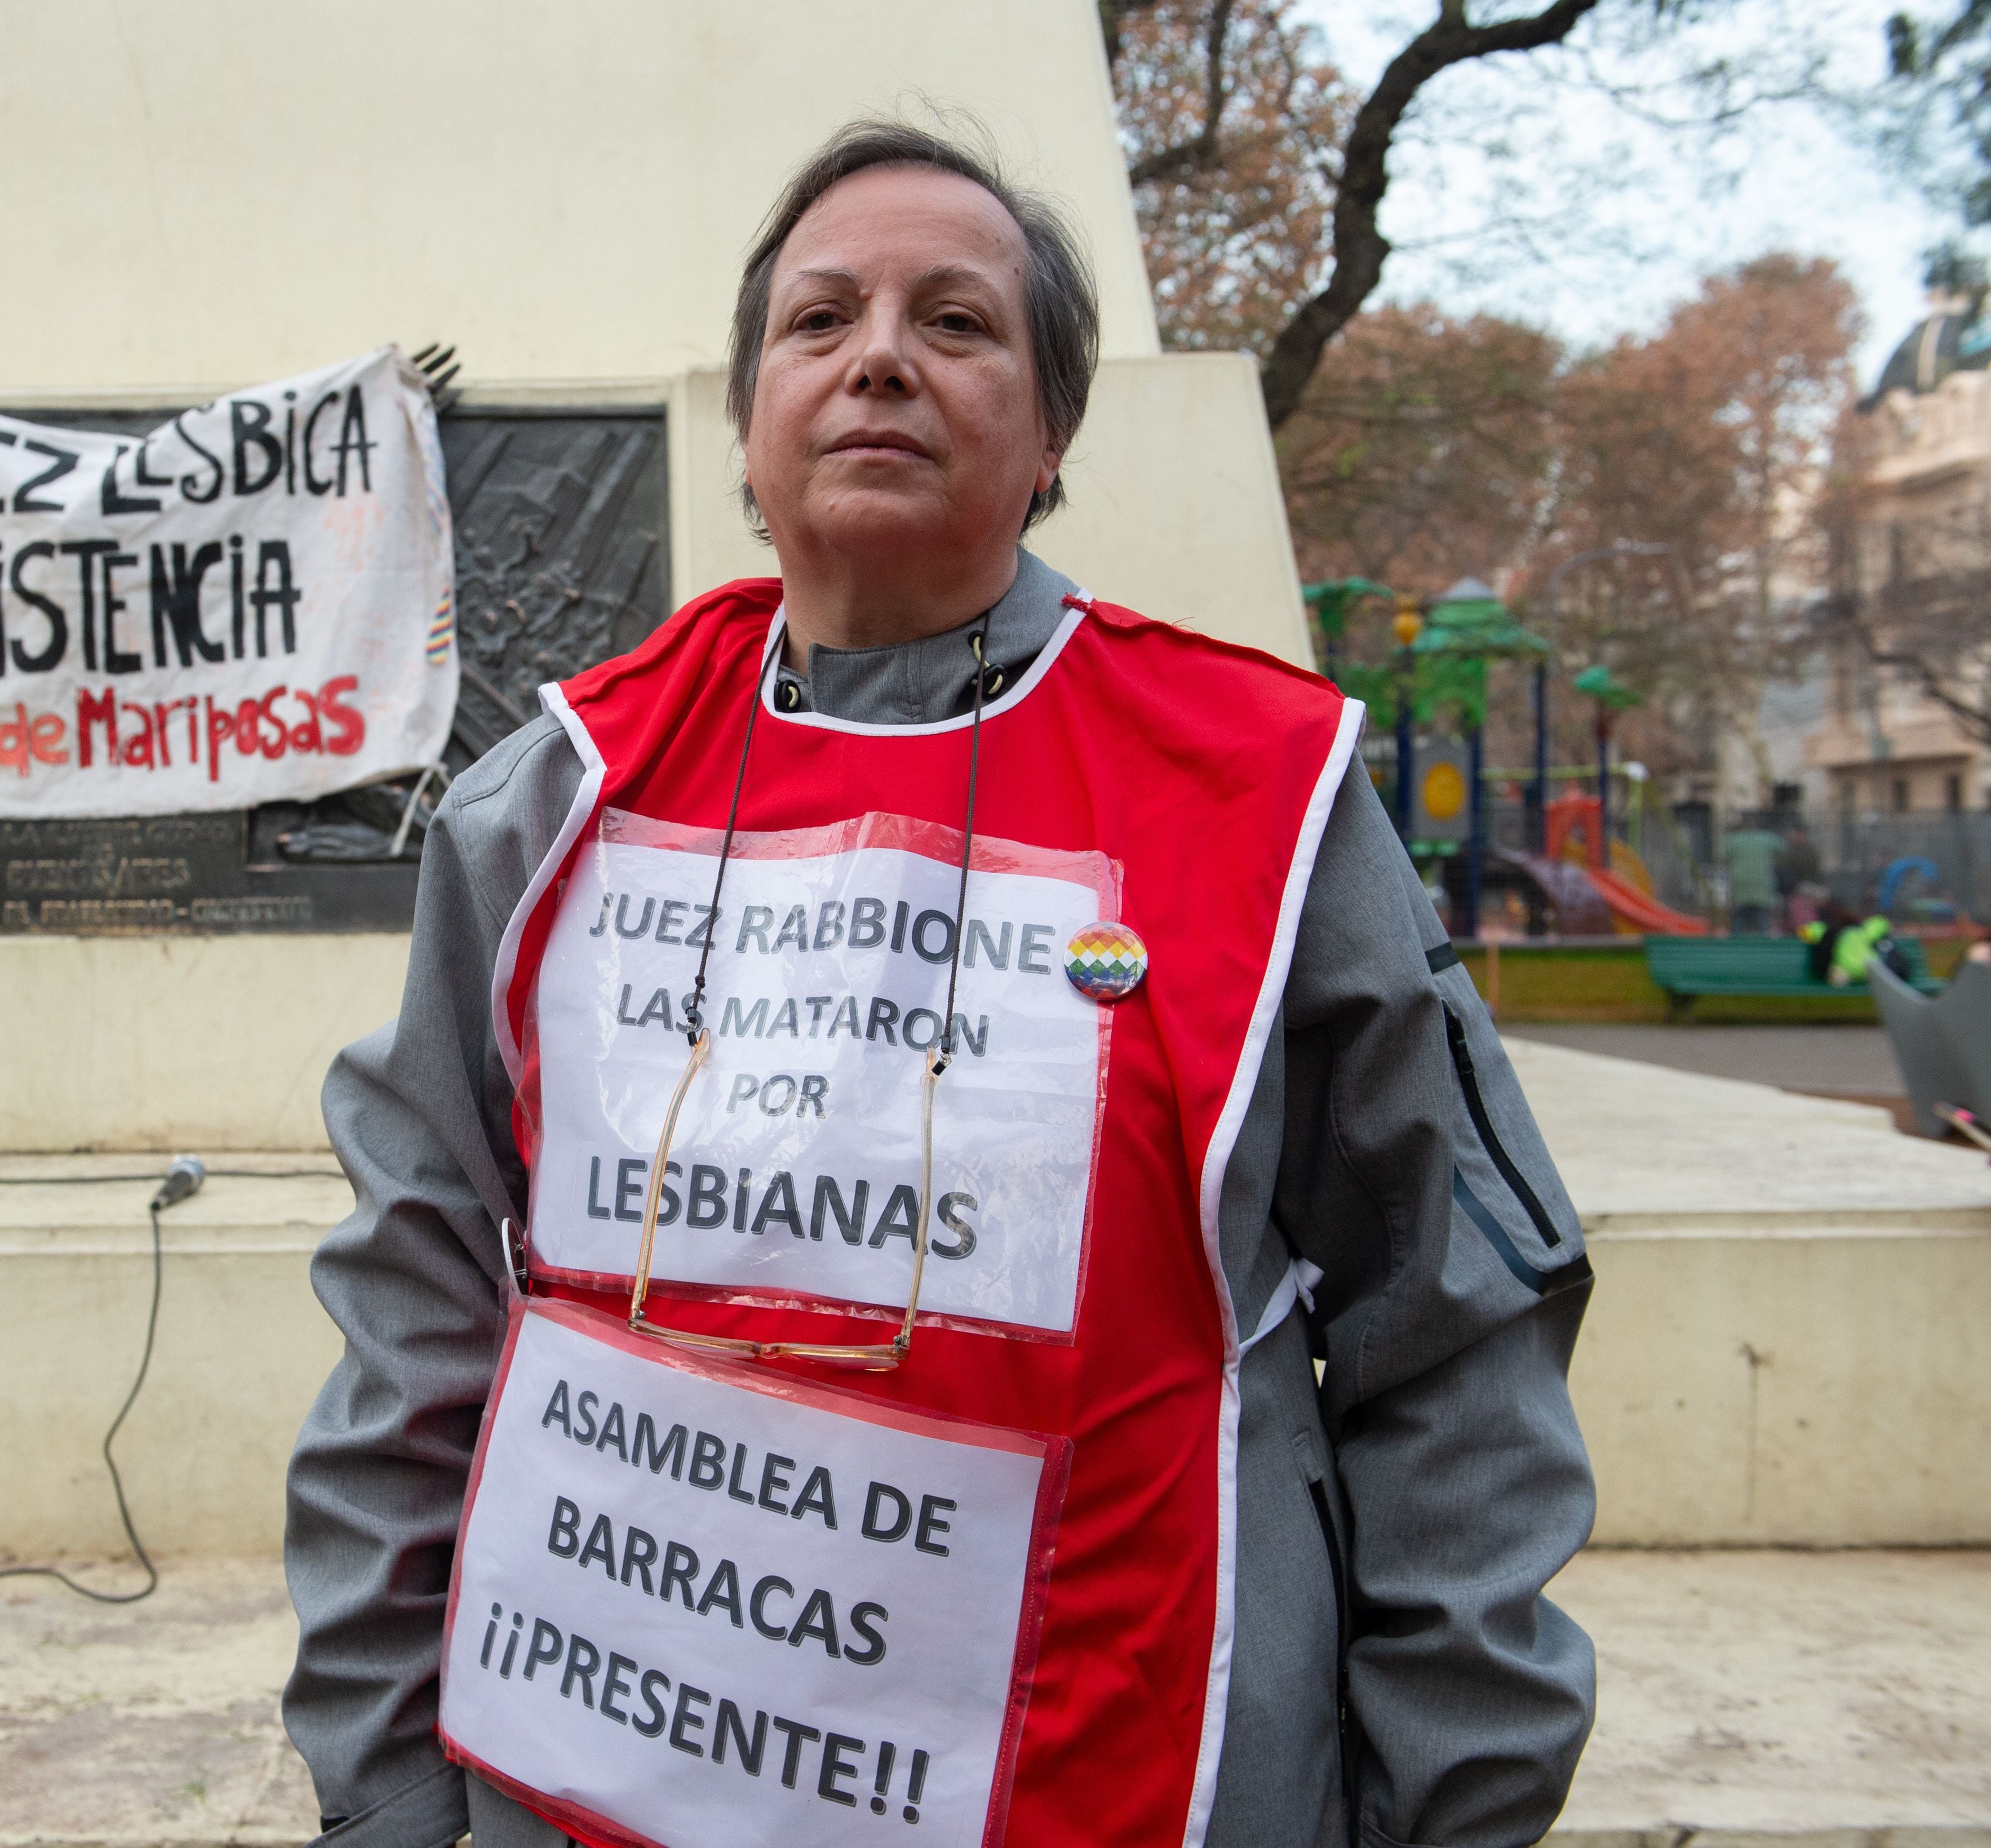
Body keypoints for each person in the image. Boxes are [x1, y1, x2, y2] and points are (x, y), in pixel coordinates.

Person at [283, 122, 1595, 1848]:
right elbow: (418, 1314)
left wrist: (1449, 1794)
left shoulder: (1263, 801)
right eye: (818, 319)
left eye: (955, 322)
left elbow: (1453, 1334)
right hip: (587, 1790)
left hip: (1120, 1787)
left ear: (1049, 433)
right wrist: (383, 1790)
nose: (879, 354)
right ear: (749, 421)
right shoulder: (542, 807)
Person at [1723, 821, 1785, 936]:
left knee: (1739, 918)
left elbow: (1725, 857)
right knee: (1762, 918)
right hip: (1761, 884)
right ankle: (1764, 947)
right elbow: (1783, 849)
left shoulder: (1735, 839)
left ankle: (1735, 946)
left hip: (1740, 884)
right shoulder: (1766, 837)